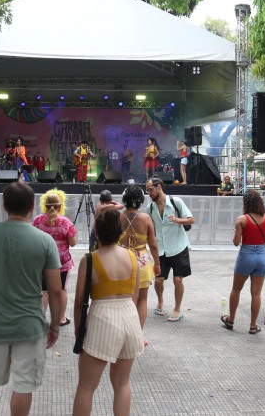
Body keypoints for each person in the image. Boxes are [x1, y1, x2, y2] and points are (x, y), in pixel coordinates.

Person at [0, 182, 62, 416]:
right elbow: (55, 290)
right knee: (23, 386)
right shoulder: (44, 241)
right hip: (29, 326)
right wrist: (55, 325)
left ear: (4, 205)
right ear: (31, 207)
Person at [72, 209, 144, 416]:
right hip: (130, 318)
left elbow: (79, 302)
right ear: (120, 232)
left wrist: (79, 332)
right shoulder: (132, 257)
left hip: (103, 319)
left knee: (86, 387)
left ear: (96, 231)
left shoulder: (90, 260)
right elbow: (135, 296)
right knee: (122, 383)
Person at [222, 190, 265, 334]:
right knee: (256, 294)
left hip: (246, 255)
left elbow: (236, 242)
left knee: (236, 289)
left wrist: (237, 231)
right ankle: (253, 326)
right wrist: (260, 238)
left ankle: (231, 320)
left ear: (246, 203)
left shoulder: (242, 219)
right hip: (262, 255)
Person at [146, 176, 194, 322]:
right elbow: (149, 229)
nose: (149, 193)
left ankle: (177, 309)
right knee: (159, 280)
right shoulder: (151, 208)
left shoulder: (176, 202)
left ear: (159, 187)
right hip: (161, 249)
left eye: (151, 190)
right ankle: (160, 301)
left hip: (178, 246)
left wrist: (177, 220)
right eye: (147, 191)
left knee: (178, 280)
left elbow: (191, 219)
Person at [118, 185, 160, 335]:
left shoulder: (118, 217)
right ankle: (137, 335)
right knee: (142, 299)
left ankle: (123, 333)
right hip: (141, 261)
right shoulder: (146, 218)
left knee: (124, 300)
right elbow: (153, 245)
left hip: (121, 260)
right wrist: (157, 264)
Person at [32, 189, 77, 327]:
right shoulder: (65, 222)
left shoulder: (38, 220)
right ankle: (61, 319)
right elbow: (73, 243)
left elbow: (33, 239)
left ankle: (41, 318)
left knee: (44, 291)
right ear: (60, 206)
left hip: (43, 262)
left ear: (44, 205)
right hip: (62, 263)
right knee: (62, 290)